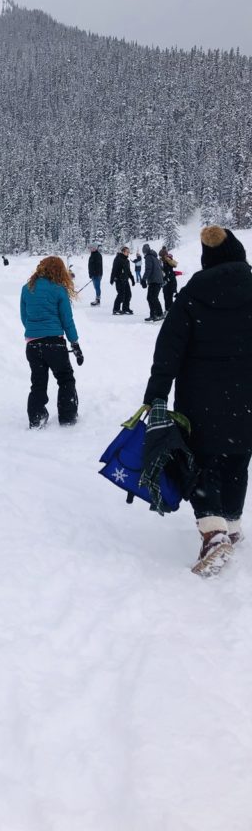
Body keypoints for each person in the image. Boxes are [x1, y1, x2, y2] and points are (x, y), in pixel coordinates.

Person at [143, 226, 252, 575]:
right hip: (247, 394)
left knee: (201, 462)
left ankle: (214, 531)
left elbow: (168, 351)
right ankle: (231, 528)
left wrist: (157, 394)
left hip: (200, 397)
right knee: (238, 455)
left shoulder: (191, 295)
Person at [20, 256, 82, 428]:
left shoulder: (27, 289)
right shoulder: (59, 289)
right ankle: (68, 416)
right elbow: (67, 320)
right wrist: (75, 344)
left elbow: (25, 318)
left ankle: (36, 417)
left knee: (38, 383)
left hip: (32, 345)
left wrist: (36, 333)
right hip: (55, 344)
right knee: (65, 379)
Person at [141, 243, 164, 322]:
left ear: (145, 251)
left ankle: (159, 314)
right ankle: (153, 314)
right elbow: (160, 268)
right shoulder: (154, 257)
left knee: (153, 298)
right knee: (150, 298)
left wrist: (143, 279)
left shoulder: (148, 257)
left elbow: (148, 269)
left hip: (155, 281)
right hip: (156, 281)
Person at [110, 246, 135, 315]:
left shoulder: (126, 260)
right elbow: (114, 269)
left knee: (128, 295)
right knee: (121, 295)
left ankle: (125, 308)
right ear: (123, 252)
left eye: (128, 252)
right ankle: (116, 309)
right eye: (127, 252)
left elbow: (128, 271)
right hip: (119, 279)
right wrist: (112, 278)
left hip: (125, 280)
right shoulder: (118, 259)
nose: (128, 253)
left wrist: (132, 278)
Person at [159, 246, 178, 311]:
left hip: (170, 283)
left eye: (161, 256)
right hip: (166, 283)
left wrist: (174, 289)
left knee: (169, 298)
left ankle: (170, 311)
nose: (160, 258)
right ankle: (167, 310)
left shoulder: (168, 262)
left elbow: (170, 274)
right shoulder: (162, 263)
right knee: (166, 298)